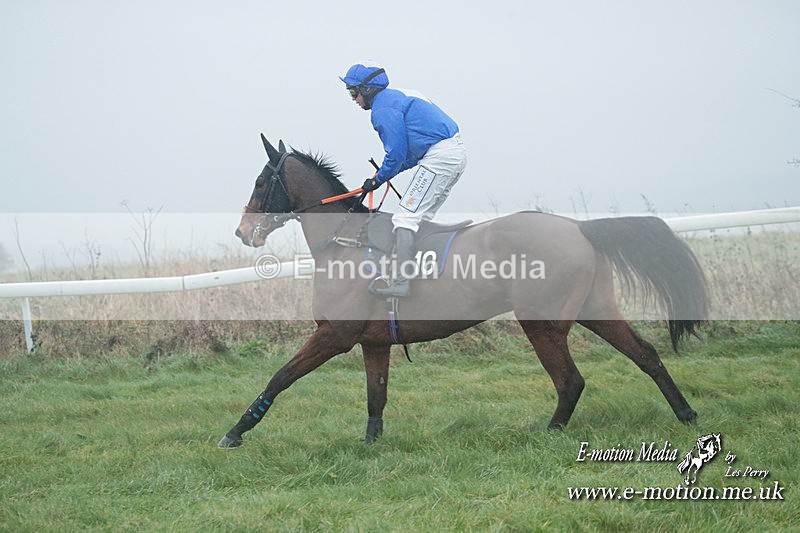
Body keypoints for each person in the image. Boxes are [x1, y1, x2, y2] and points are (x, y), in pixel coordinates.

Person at [339, 62, 467, 298]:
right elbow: (409, 154)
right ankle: (423, 277)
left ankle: (401, 282)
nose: (353, 99)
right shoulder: (400, 95)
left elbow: (397, 153)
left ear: (367, 90)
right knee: (420, 218)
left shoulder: (382, 110)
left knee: (405, 218)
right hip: (451, 155)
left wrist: (379, 178)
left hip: (440, 158)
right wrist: (381, 176)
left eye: (353, 92)